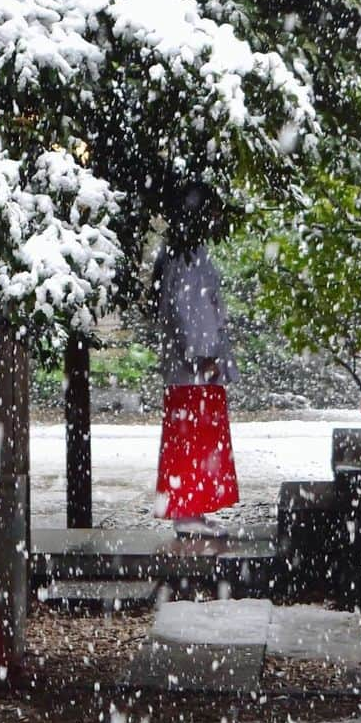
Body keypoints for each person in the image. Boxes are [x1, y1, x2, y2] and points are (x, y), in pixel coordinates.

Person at [152, 182, 240, 538]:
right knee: (193, 438)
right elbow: (187, 311)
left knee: (196, 437)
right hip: (195, 365)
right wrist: (201, 355)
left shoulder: (183, 252)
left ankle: (194, 508)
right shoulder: (185, 257)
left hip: (196, 363)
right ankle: (188, 509)